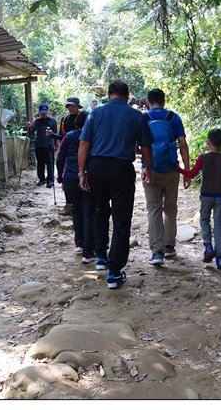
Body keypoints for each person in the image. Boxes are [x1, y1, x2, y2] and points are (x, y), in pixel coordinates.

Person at [78, 80, 154, 290]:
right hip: (122, 169)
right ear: (127, 96)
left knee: (100, 211)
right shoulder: (137, 116)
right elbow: (146, 146)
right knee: (121, 220)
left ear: (110, 94)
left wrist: (82, 172)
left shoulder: (95, 113)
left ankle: (101, 256)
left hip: (97, 167)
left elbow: (84, 143)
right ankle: (114, 272)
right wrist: (148, 168)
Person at [141, 88, 191, 266]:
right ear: (164, 100)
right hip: (171, 169)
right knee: (170, 208)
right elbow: (183, 145)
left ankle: (157, 252)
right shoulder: (173, 118)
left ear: (148, 101)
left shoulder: (144, 118)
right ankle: (169, 246)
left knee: (153, 209)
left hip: (150, 169)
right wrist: (187, 170)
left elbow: (135, 146)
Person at [177, 128, 221, 270]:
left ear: (208, 142)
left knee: (204, 220)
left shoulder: (203, 158)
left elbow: (191, 174)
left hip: (206, 196)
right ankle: (220, 259)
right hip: (220, 196)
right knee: (219, 225)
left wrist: (178, 169)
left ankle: (208, 246)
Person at [56, 110, 96, 263]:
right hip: (87, 178)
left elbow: (60, 158)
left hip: (70, 179)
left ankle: (79, 244)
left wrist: (60, 176)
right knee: (89, 212)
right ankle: (88, 251)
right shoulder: (92, 137)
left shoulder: (68, 137)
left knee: (77, 210)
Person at [27, 103, 57, 187]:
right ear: (39, 112)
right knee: (40, 163)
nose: (43, 114)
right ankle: (42, 179)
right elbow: (32, 130)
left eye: (45, 112)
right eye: (42, 113)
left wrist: (56, 145)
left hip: (49, 145)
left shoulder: (52, 121)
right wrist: (29, 126)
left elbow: (55, 133)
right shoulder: (37, 121)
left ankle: (50, 181)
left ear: (47, 111)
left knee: (50, 163)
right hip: (39, 145)